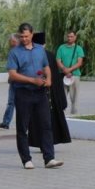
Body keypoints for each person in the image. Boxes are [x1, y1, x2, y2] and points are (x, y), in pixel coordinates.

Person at [7, 22, 63, 170]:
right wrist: (32, 80)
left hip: (40, 93)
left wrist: (49, 79)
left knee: (46, 124)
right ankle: (26, 159)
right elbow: (12, 74)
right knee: (22, 127)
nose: (24, 39)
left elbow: (46, 66)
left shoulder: (39, 49)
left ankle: (49, 158)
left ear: (32, 34)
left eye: (26, 36)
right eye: (21, 36)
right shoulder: (14, 52)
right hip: (23, 92)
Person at [29, 32, 71, 146]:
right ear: (45, 43)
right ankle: (52, 140)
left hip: (38, 91)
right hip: (53, 92)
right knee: (51, 117)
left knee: (38, 118)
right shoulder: (51, 55)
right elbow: (56, 77)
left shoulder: (33, 55)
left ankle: (40, 142)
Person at [55, 30, 85, 115]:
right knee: (62, 96)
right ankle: (61, 114)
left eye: (71, 36)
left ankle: (74, 114)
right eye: (68, 36)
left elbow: (79, 62)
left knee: (74, 97)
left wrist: (69, 70)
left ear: (75, 37)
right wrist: (64, 69)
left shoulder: (78, 48)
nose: (69, 38)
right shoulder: (61, 47)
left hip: (75, 76)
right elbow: (58, 60)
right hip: (63, 75)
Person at [0, 34, 19, 129]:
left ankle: (7, 122)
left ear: (16, 41)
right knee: (11, 102)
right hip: (14, 80)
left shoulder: (15, 52)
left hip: (16, 80)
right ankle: (6, 122)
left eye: (11, 41)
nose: (9, 42)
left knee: (13, 102)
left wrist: (12, 76)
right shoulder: (14, 51)